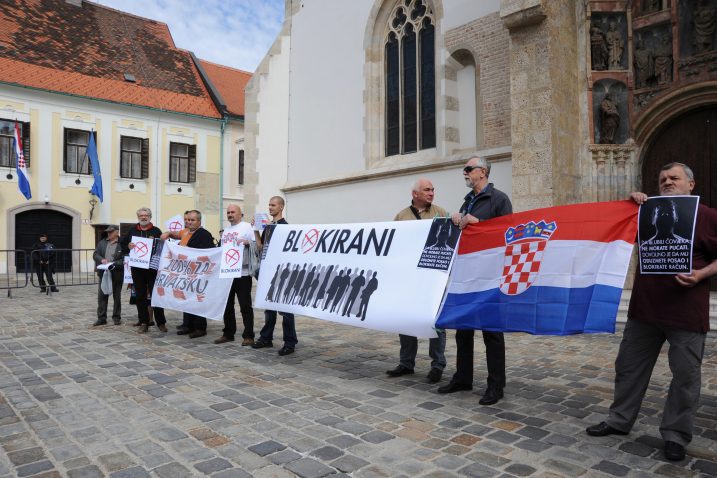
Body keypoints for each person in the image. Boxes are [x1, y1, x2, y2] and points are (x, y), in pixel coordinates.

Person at [586, 162, 717, 462]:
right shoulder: (643, 214)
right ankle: (619, 420)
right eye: (662, 179)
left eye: (675, 178)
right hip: (644, 311)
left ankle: (675, 435)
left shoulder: (705, 217)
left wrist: (700, 275)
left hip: (685, 314)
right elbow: (613, 230)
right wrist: (627, 206)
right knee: (628, 368)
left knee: (685, 377)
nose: (668, 182)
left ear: (691, 185)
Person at [438, 155, 512, 405]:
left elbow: (507, 233)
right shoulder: (467, 201)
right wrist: (457, 219)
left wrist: (478, 222)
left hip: (491, 276)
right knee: (463, 329)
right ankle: (463, 377)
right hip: (468, 274)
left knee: (492, 332)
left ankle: (496, 386)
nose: (465, 173)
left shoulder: (499, 199)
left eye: (468, 169)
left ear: (482, 172)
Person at [386, 179, 448, 383]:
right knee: (406, 321)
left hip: (433, 279)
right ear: (415, 194)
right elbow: (393, 244)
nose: (431, 193)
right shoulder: (401, 216)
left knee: (435, 323)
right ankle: (406, 363)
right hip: (409, 278)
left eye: (432, 189)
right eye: (427, 190)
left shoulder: (442, 214)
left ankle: (437, 365)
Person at [252, 196, 298, 355]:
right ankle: (266, 338)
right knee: (269, 307)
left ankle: (290, 342)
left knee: (285, 309)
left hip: (281, 273)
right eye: (269, 204)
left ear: (281, 207)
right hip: (267, 272)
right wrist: (256, 230)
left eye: (273, 205)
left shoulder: (285, 227)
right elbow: (261, 248)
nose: (270, 207)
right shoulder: (268, 227)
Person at [120, 207, 167, 334]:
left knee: (156, 295)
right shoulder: (132, 230)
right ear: (138, 217)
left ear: (150, 217)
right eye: (141, 215)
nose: (143, 217)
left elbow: (162, 248)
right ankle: (144, 322)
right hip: (137, 268)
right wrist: (128, 246)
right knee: (140, 296)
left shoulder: (156, 231)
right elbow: (123, 245)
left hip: (152, 268)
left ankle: (161, 322)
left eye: (146, 215)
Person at [215, 204, 256, 346]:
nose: (230, 214)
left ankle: (249, 335)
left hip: (243, 273)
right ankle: (228, 333)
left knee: (245, 306)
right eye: (228, 212)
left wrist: (247, 242)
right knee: (227, 305)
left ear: (240, 214)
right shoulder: (226, 230)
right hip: (227, 273)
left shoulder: (247, 227)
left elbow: (257, 244)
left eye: (233, 212)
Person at [172, 210, 215, 338]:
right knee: (186, 299)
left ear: (199, 221)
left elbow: (207, 254)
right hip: (186, 273)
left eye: (192, 220)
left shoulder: (204, 234)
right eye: (188, 220)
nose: (189, 222)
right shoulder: (186, 233)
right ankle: (188, 325)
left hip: (198, 274)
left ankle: (200, 328)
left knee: (197, 301)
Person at [92, 225, 124, 326]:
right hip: (103, 273)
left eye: (111, 232)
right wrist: (101, 259)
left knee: (117, 296)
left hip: (117, 273)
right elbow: (95, 254)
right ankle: (101, 318)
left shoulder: (122, 243)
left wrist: (113, 264)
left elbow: (125, 259)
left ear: (117, 232)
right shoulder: (102, 242)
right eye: (108, 232)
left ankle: (116, 317)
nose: (109, 234)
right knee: (102, 296)